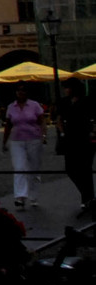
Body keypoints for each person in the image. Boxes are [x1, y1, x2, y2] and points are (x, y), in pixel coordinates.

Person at [3, 82, 48, 209]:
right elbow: (8, 125)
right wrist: (4, 141)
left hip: (34, 139)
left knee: (34, 168)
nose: (20, 92)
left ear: (27, 92)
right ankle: (20, 196)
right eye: (18, 90)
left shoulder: (34, 105)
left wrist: (43, 136)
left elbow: (42, 122)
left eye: (23, 90)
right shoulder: (11, 107)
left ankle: (34, 195)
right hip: (17, 140)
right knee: (19, 167)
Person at [59, 79, 96, 213]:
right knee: (70, 168)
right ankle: (87, 195)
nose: (65, 90)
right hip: (70, 139)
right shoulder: (64, 102)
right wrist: (62, 132)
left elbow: (93, 118)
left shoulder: (87, 101)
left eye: (67, 87)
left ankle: (88, 198)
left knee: (85, 169)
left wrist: (93, 131)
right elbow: (59, 118)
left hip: (85, 138)